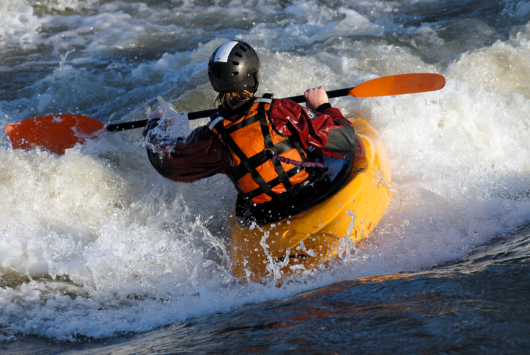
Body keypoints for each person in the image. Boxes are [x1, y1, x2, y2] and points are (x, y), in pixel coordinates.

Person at [143, 40, 357, 221]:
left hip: (269, 217)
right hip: (315, 196)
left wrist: (156, 123)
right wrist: (322, 108)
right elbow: (346, 140)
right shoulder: (281, 111)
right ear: (253, 78)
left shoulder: (211, 138)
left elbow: (166, 164)